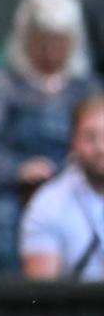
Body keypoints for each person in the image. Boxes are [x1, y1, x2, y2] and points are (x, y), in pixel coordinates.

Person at [0, 0, 98, 272]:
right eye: (42, 41)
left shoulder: (86, 88)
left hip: (78, 186)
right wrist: (18, 169)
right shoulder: (4, 85)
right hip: (10, 192)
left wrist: (73, 167)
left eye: (59, 41)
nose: (51, 52)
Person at [20, 94, 104, 281]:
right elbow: (42, 296)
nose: (101, 148)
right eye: (90, 137)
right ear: (73, 142)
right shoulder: (48, 204)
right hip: (80, 308)